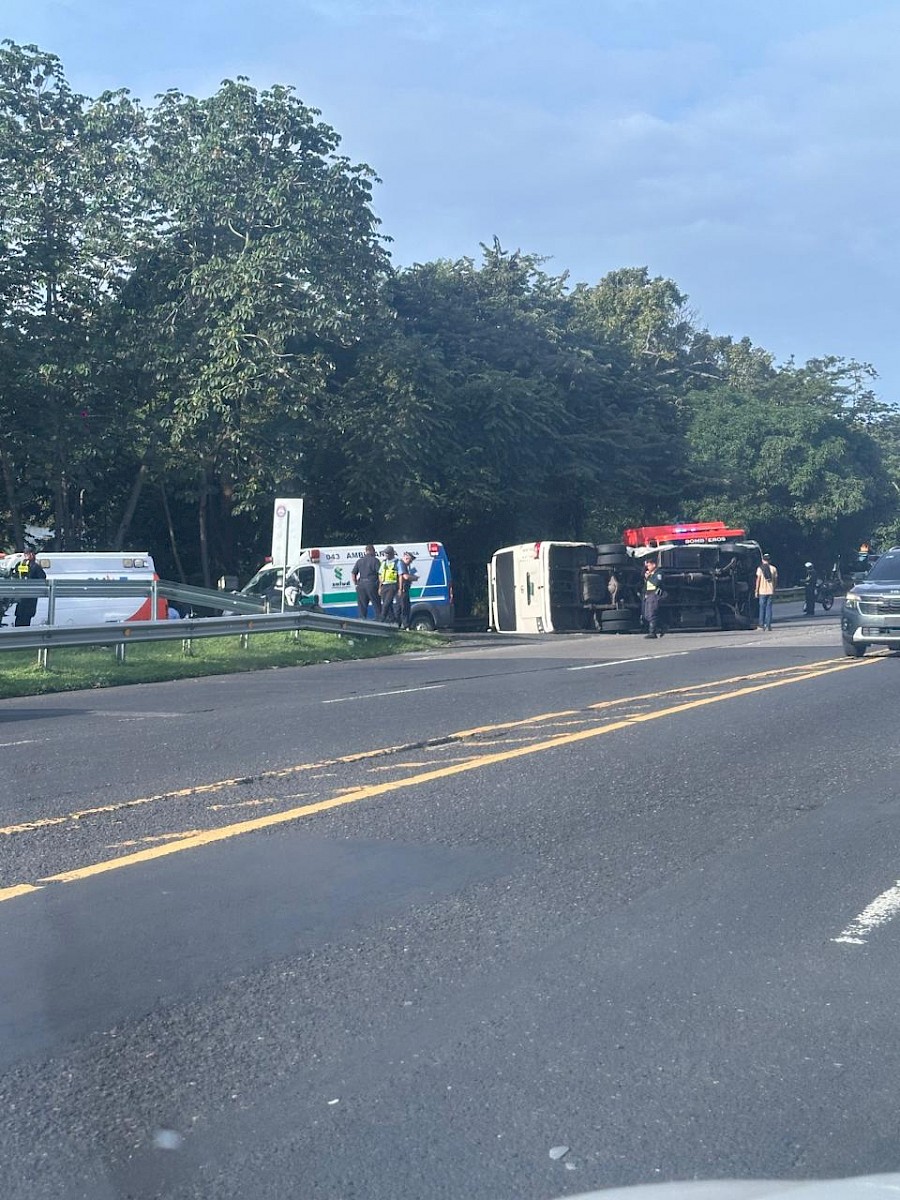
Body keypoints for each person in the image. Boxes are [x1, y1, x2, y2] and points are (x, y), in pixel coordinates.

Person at [13, 549, 47, 627]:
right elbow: (42, 578)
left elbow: (15, 576)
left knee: (20, 616)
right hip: (30, 595)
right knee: (26, 617)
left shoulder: (20, 564)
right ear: (32, 555)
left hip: (21, 594)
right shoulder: (35, 566)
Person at [351, 544, 381, 619]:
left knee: (362, 606)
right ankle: (379, 621)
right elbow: (380, 574)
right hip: (372, 584)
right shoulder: (375, 560)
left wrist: (356, 583)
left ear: (366, 551)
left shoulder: (359, 561)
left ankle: (362, 621)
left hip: (361, 585)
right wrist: (380, 586)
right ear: (372, 551)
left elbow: (353, 573)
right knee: (376, 604)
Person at [641, 557, 665, 639]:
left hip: (654, 595)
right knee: (646, 615)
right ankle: (663, 626)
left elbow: (656, 583)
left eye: (649, 565)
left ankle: (652, 632)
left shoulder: (659, 573)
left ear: (654, 565)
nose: (648, 567)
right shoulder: (650, 574)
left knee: (651, 613)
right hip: (648, 595)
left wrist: (648, 577)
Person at [755, 552, 778, 631]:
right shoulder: (773, 568)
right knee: (769, 608)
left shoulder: (760, 569)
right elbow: (775, 581)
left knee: (762, 608)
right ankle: (768, 625)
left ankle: (761, 625)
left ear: (762, 560)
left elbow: (758, 580)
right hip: (770, 591)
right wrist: (774, 589)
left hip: (762, 591)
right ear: (769, 560)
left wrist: (756, 590)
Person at [378, 545, 400, 623]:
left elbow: (400, 575)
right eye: (385, 553)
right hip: (384, 585)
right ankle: (393, 620)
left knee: (386, 604)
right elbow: (380, 574)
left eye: (387, 553)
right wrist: (380, 587)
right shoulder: (384, 562)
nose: (386, 555)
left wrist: (400, 588)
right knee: (388, 604)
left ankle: (381, 620)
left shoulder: (397, 562)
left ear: (392, 554)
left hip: (392, 585)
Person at [397, 551, 418, 630]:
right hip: (402, 590)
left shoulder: (403, 564)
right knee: (404, 608)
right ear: (406, 557)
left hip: (402, 590)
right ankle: (405, 626)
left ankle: (400, 625)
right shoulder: (401, 564)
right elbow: (405, 577)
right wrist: (414, 578)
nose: (410, 562)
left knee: (402, 607)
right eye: (410, 560)